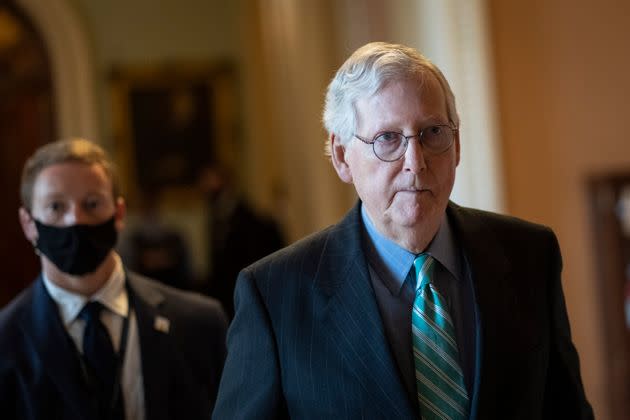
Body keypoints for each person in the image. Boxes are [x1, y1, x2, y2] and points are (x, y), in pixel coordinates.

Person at [212, 42, 593, 419]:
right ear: (342, 156)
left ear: (456, 145)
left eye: (432, 133)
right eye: (387, 139)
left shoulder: (530, 255)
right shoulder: (275, 294)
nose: (416, 162)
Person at [0, 138, 228, 420]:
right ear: (28, 224)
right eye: (56, 207)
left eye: (92, 203)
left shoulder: (200, 324)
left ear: (118, 214)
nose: (76, 220)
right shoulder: (6, 342)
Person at [198, 164, 285, 318]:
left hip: (245, 293)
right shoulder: (215, 216)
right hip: (227, 296)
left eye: (210, 180)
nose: (205, 186)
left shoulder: (247, 217)